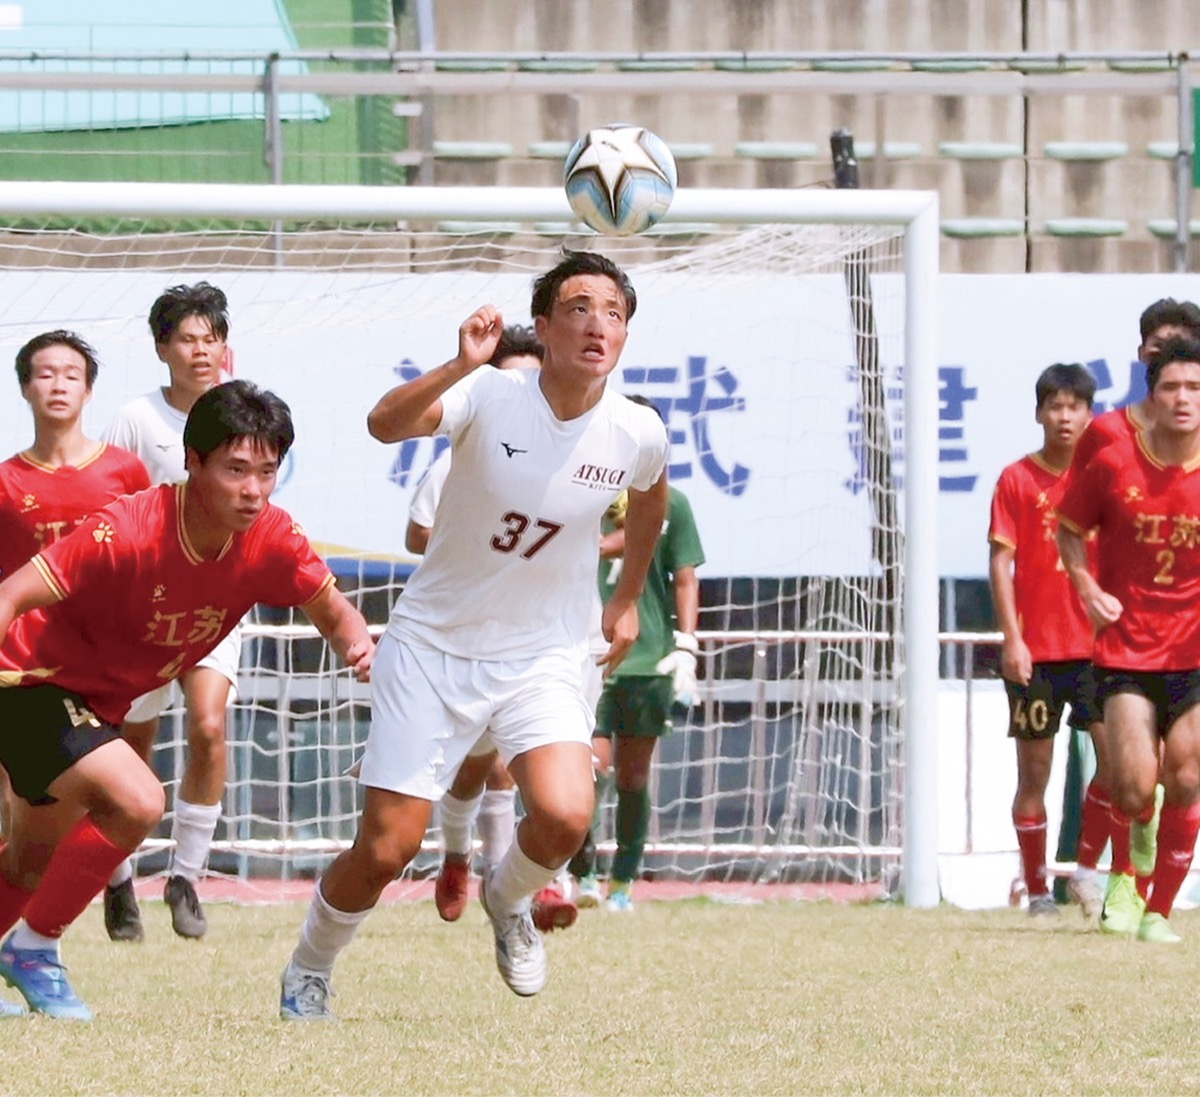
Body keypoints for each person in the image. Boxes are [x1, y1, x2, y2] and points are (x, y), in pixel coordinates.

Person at [279, 250, 669, 1020]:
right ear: (546, 325)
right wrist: (459, 363)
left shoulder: (636, 430)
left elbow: (652, 500)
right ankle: (310, 963)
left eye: (615, 313)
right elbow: (382, 423)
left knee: (562, 814)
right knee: (387, 850)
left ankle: (507, 896)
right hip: (433, 649)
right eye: (580, 307)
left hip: (545, 653)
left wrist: (624, 598)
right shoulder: (490, 392)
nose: (599, 324)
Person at [0, 379, 374, 1019]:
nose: (253, 489)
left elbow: (335, 613)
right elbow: (11, 594)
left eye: (267, 471)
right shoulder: (128, 529)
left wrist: (360, 650)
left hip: (99, 705)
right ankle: (35, 948)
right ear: (192, 463)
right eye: (235, 470)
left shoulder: (274, 538)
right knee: (139, 799)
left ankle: (24, 938)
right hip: (29, 681)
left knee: (30, 864)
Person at [409, 325, 578, 933]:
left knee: (530, 763)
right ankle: (457, 854)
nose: (524, 388)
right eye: (509, 375)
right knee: (473, 768)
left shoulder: (582, 454)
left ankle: (529, 883)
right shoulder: (468, 449)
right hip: (462, 639)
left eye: (534, 374)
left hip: (542, 640)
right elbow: (417, 533)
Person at [100, 281, 240, 942]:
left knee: (210, 727)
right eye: (187, 338)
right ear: (163, 348)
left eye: (210, 337)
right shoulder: (136, 418)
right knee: (132, 747)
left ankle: (186, 874)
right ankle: (119, 874)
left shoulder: (243, 411)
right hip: (146, 609)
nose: (200, 349)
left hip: (219, 603)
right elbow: (109, 506)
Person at [1057, 335, 1200, 944]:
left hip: (1193, 653)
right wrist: (1087, 586)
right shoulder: (1116, 459)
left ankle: (1159, 912)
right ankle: (1125, 867)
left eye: (1195, 388)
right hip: (1127, 650)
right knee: (1135, 784)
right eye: (1172, 387)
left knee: (1190, 778)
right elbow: (1067, 530)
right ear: (1153, 394)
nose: (1184, 399)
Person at [569, 400, 704, 913]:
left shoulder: (674, 504)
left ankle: (623, 881)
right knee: (587, 769)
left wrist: (687, 646)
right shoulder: (581, 493)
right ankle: (580, 872)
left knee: (632, 776)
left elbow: (686, 577)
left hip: (647, 659)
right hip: (585, 654)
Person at [987, 363, 1109, 919]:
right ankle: (1037, 891)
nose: (1064, 417)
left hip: (1099, 652)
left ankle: (1086, 872)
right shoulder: (1016, 479)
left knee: (1119, 767)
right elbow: (1000, 563)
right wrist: (1013, 640)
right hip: (1035, 656)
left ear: (1090, 413)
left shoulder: (1105, 477)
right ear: (1039, 413)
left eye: (1075, 406)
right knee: (1033, 774)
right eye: (1054, 406)